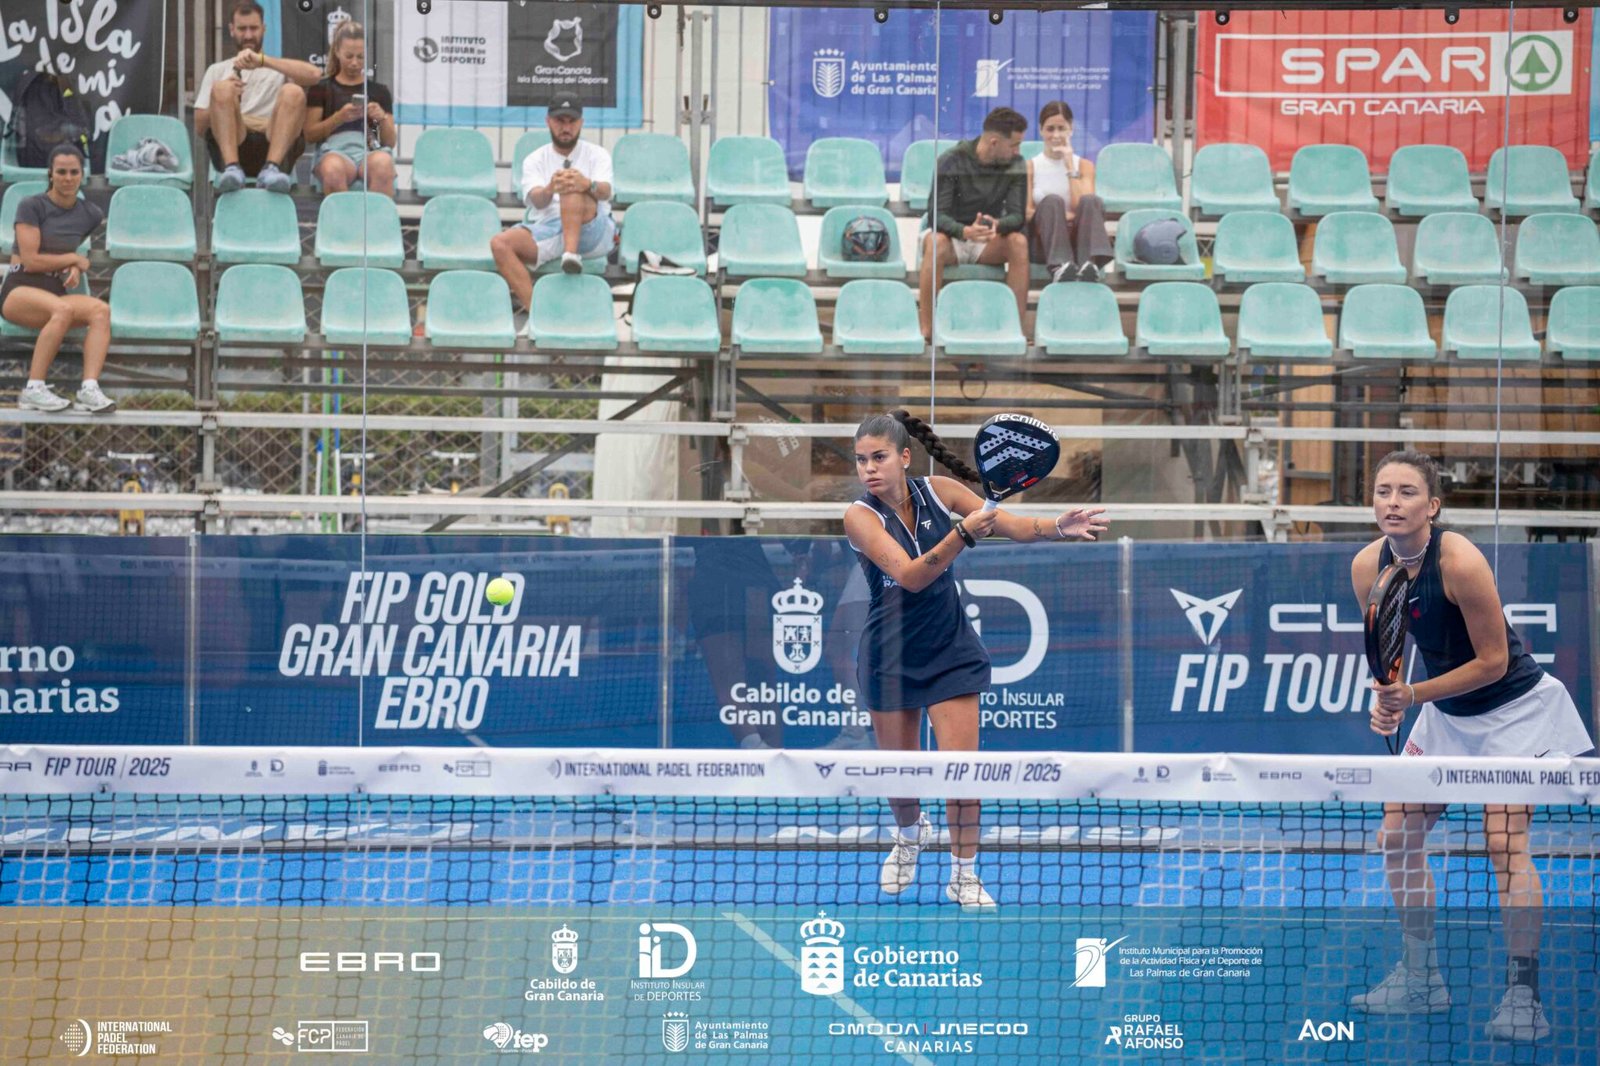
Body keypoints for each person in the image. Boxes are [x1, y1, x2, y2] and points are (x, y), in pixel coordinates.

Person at [1349, 450, 1594, 1042]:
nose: (1392, 502)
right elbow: (1390, 651)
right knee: (1396, 837)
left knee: (1504, 842)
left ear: (1432, 506)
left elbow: (1493, 662)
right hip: (1447, 715)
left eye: (1407, 492)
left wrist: (1412, 695)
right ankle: (1421, 978)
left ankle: (1523, 996)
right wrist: (1388, 700)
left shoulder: (1458, 559)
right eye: (1383, 491)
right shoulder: (1367, 566)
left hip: (1515, 712)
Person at [845, 409, 1108, 908]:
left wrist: (1058, 525)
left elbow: (1017, 527)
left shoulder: (940, 491)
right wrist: (963, 534)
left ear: (905, 457)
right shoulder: (859, 517)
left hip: (949, 649)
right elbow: (911, 576)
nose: (869, 469)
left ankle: (963, 874)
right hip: (888, 657)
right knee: (899, 778)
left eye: (879, 457)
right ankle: (909, 835)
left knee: (963, 774)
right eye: (861, 461)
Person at [4, 145, 112, 414]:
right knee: (61, 309)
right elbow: (31, 261)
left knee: (100, 311)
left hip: (54, 291)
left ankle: (89, 389)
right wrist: (73, 260)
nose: (68, 178)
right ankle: (34, 389)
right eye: (61, 172)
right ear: (50, 174)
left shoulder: (91, 214)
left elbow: (63, 247)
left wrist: (73, 265)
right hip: (19, 289)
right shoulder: (31, 205)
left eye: (74, 172)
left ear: (82, 175)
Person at [491, 95, 616, 313]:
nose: (566, 128)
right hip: (549, 228)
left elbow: (606, 192)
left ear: (581, 123)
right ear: (548, 121)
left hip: (591, 230)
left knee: (572, 183)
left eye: (572, 121)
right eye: (560, 121)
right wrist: (550, 188)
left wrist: (586, 184)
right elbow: (536, 200)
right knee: (499, 244)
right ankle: (539, 314)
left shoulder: (598, 154)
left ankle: (570, 255)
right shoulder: (534, 159)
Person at [920, 107, 1029, 340]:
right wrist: (964, 231)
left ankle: (1016, 330)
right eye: (1014, 145)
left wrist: (997, 225)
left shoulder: (1017, 164)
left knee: (1018, 243)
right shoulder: (950, 160)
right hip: (952, 238)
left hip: (987, 240)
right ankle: (926, 330)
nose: (1017, 151)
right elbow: (936, 216)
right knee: (935, 243)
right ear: (994, 142)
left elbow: (1017, 217)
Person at [195, 0, 321, 194]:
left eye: (253, 28)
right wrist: (222, 101)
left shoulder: (278, 67)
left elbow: (314, 75)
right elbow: (200, 128)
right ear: (231, 30)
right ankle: (232, 168)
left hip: (275, 148)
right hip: (232, 148)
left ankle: (272, 167)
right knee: (222, 89)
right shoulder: (217, 70)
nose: (248, 35)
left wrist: (263, 61)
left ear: (264, 29)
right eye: (242, 29)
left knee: (293, 91)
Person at [304, 21, 396, 196]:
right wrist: (338, 118)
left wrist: (381, 118)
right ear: (337, 51)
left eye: (360, 57)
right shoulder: (321, 88)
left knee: (383, 165)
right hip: (334, 150)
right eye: (349, 56)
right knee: (333, 169)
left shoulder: (380, 91)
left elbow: (390, 142)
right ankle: (342, 216)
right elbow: (309, 135)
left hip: (369, 149)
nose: (354, 63)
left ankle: (377, 215)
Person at [1026, 101, 1113, 284]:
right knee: (1052, 201)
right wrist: (1058, 215)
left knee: (1092, 200)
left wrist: (1070, 167)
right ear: (1041, 130)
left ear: (1071, 129)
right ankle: (1059, 266)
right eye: (1050, 129)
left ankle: (1088, 265)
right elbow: (1027, 212)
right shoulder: (1030, 166)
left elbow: (1083, 204)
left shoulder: (1084, 166)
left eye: (1061, 128)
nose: (1056, 135)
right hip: (1044, 243)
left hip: (1077, 242)